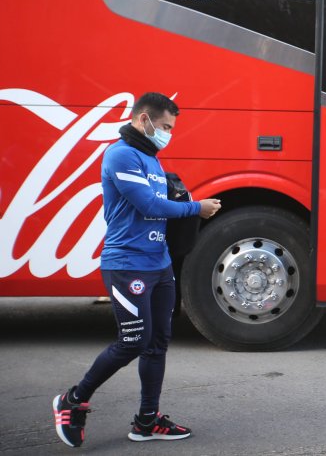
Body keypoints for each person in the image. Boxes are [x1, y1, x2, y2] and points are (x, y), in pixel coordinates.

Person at [53, 93, 221, 448]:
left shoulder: (149, 158)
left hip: (159, 265)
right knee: (132, 342)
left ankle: (147, 421)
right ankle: (73, 400)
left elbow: (160, 207)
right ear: (144, 120)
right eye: (164, 127)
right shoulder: (120, 155)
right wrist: (196, 208)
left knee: (157, 343)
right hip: (127, 265)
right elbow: (146, 205)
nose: (167, 134)